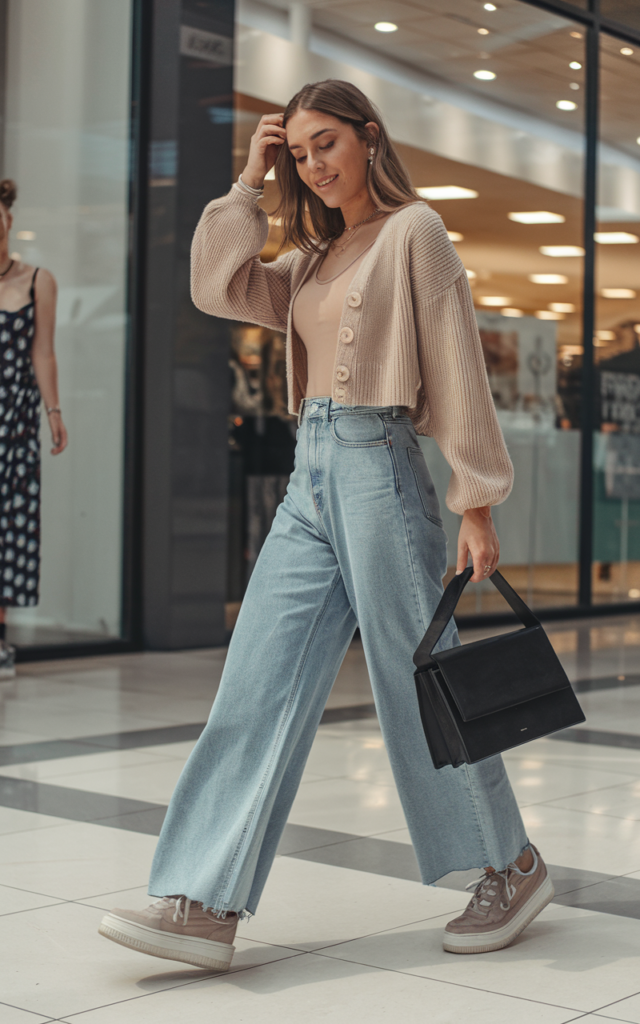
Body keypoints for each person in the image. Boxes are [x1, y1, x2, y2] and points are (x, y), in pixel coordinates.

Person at [99, 80, 554, 970]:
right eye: (299, 152)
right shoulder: (310, 259)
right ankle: (205, 895)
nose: (314, 165)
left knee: (417, 681)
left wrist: (478, 500)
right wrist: (248, 184)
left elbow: (458, 364)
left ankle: (512, 864)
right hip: (309, 478)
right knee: (257, 676)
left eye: (326, 145)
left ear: (369, 138)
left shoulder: (416, 233)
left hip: (381, 464)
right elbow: (217, 285)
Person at [0, 179, 67, 675]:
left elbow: (42, 351)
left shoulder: (38, 279)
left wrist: (54, 411)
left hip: (16, 421)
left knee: (10, 523)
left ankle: (1, 637)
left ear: (9, 220)